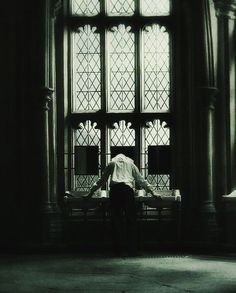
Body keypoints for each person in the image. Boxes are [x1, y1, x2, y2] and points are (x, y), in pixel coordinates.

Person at [85, 153, 161, 256]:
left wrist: (90, 193)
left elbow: (102, 181)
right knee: (131, 220)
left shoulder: (112, 163)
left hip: (115, 191)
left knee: (116, 221)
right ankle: (132, 250)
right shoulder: (130, 164)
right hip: (127, 191)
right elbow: (141, 180)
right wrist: (153, 192)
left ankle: (118, 250)